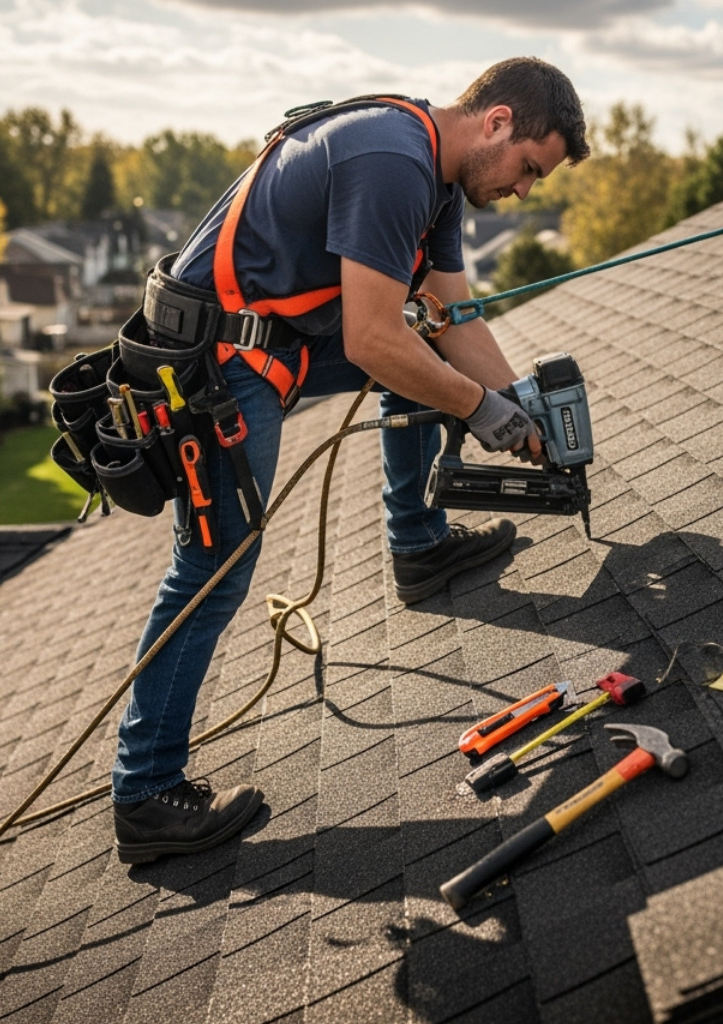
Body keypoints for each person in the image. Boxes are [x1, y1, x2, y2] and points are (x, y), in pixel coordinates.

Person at [111, 57, 589, 863]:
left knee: (422, 344)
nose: (524, 189)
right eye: (529, 168)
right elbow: (371, 340)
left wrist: (522, 407)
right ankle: (145, 792)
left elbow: (448, 314)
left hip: (277, 339)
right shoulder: (392, 161)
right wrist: (480, 410)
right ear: (498, 121)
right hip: (216, 358)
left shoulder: (439, 180)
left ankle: (418, 543)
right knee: (218, 563)